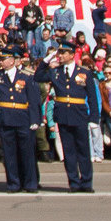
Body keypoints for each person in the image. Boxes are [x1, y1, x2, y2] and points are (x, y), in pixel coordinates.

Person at [45, 47, 98, 192]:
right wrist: (46, 60)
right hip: (63, 115)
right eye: (59, 53)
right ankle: (73, 182)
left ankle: (86, 182)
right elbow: (38, 77)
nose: (60, 56)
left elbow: (92, 97)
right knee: (69, 152)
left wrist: (94, 118)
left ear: (72, 55)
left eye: (64, 53)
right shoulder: (56, 72)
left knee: (83, 150)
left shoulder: (84, 72)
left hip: (79, 114)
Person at [0, 56, 44, 193]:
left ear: (12, 61)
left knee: (27, 153)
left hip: (23, 118)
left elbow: (33, 100)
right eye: (0, 59)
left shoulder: (26, 77)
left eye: (4, 59)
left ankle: (30, 183)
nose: (1, 61)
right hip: (7, 119)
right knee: (9, 154)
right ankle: (14, 183)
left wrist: (35, 120)